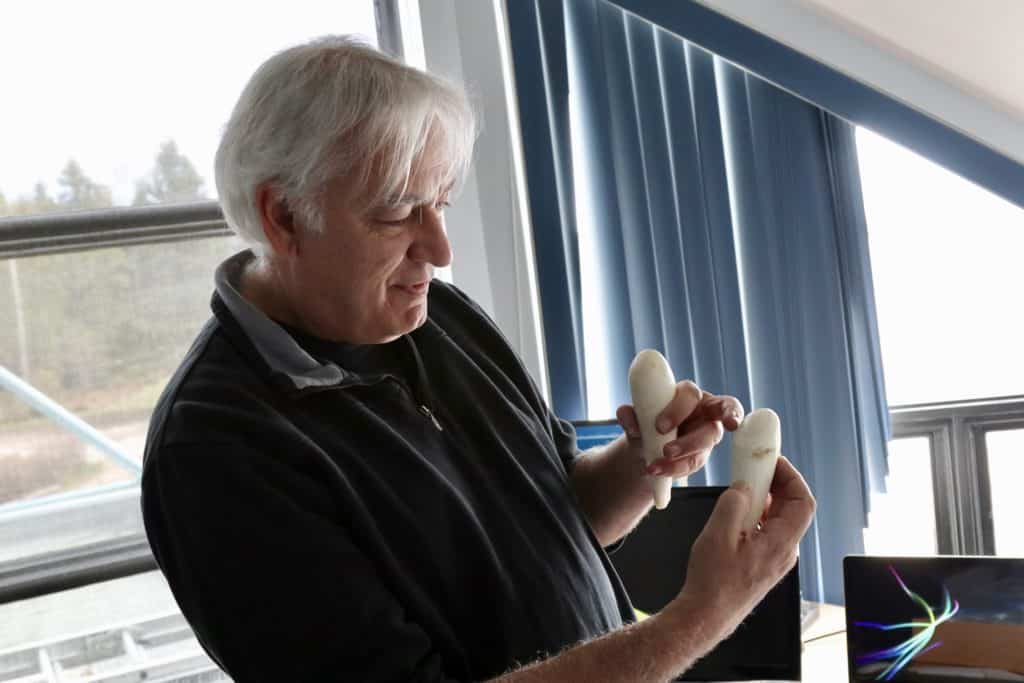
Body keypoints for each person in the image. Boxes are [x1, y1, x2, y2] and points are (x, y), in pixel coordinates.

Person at [141, 35, 815, 682]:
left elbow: (559, 516)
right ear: (284, 217)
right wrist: (699, 619)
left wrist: (644, 463)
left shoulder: (436, 314)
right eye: (399, 211)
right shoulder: (215, 448)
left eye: (440, 204)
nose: (439, 249)